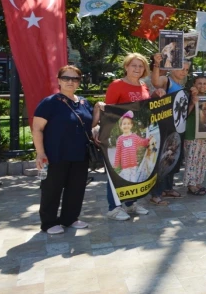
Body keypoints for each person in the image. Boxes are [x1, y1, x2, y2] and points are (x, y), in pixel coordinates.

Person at [33, 65, 102, 234]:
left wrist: (99, 107)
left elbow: (89, 124)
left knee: (76, 188)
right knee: (52, 189)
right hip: (56, 154)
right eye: (66, 78)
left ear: (79, 81)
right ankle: (48, 223)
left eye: (75, 79)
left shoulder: (84, 102)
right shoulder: (50, 103)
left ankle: (70, 218)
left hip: (80, 153)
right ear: (59, 80)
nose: (70, 82)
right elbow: (37, 129)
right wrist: (40, 153)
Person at [104, 53, 160, 220]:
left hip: (137, 136)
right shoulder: (117, 85)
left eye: (140, 66)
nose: (137, 69)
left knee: (134, 171)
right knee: (117, 172)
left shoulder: (143, 86)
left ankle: (130, 203)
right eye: (133, 65)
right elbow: (109, 112)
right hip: (122, 135)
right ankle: (114, 207)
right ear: (126, 67)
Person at [151, 54, 190, 199]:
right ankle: (156, 193)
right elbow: (155, 82)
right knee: (163, 159)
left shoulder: (181, 86)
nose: (184, 72)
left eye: (186, 70)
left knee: (173, 158)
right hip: (164, 128)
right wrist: (156, 63)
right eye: (181, 68)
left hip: (178, 128)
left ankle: (168, 188)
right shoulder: (167, 80)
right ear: (173, 68)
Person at [183, 75, 206, 195]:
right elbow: (183, 114)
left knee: (202, 159)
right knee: (192, 159)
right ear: (194, 85)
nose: (202, 86)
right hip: (192, 133)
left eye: (204, 83)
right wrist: (192, 103)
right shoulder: (188, 97)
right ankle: (191, 185)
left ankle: (198, 182)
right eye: (199, 83)